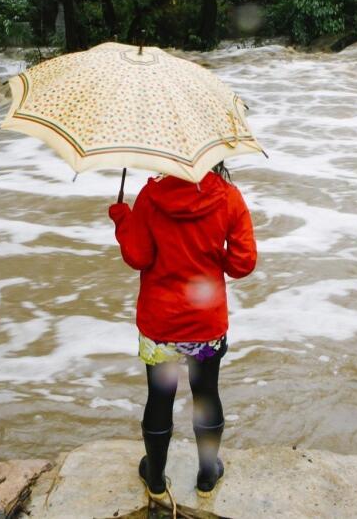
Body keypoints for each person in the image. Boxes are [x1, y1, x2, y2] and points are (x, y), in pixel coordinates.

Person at [108, 162, 257, 501]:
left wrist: (122, 220)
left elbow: (138, 256)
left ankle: (156, 478)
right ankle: (207, 475)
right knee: (206, 394)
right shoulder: (229, 198)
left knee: (160, 397)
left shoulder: (149, 197)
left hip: (160, 325)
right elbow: (243, 262)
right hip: (205, 325)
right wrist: (213, 255)